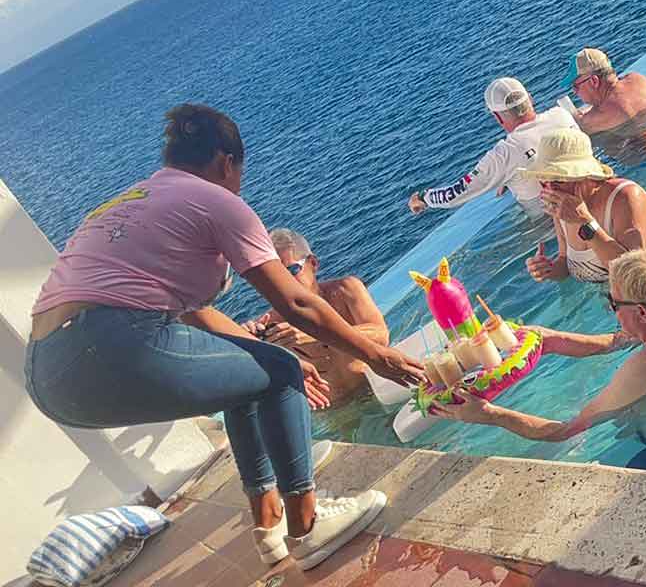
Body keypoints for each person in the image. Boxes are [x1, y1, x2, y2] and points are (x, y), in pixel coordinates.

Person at [24, 105, 424, 570]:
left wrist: (261, 355)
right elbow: (296, 302)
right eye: (239, 171)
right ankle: (309, 527)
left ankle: (269, 525)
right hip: (109, 345)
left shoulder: (129, 202)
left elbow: (199, 317)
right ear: (227, 162)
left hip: (47, 378)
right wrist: (378, 355)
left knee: (247, 377)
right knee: (282, 369)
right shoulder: (216, 200)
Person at [432, 248, 646, 472]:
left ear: (640, 311)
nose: (610, 310)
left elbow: (565, 431)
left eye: (613, 303)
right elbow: (622, 339)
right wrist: (552, 341)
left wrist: (489, 414)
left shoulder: (645, 367)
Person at [244, 228, 391, 408]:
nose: (285, 283)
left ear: (313, 263)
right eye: (276, 277)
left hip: (377, 386)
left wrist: (317, 333)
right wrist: (247, 342)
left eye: (292, 270)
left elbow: (381, 333)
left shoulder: (345, 290)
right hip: (337, 412)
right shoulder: (273, 325)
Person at [522, 127, 646, 284]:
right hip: (617, 302)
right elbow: (564, 261)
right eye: (544, 182)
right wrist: (549, 270)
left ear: (584, 175)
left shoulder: (626, 197)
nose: (551, 189)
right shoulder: (562, 208)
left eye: (559, 180)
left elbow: (631, 273)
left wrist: (585, 223)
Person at [409, 77, 577, 217]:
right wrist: (509, 175)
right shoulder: (561, 115)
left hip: (550, 225)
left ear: (497, 116)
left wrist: (423, 197)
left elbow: (454, 195)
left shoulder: (504, 155)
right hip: (587, 204)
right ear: (530, 99)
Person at [565, 48, 646, 135]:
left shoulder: (601, 116)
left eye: (576, 86)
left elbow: (576, 127)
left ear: (594, 81)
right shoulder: (637, 78)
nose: (574, 92)